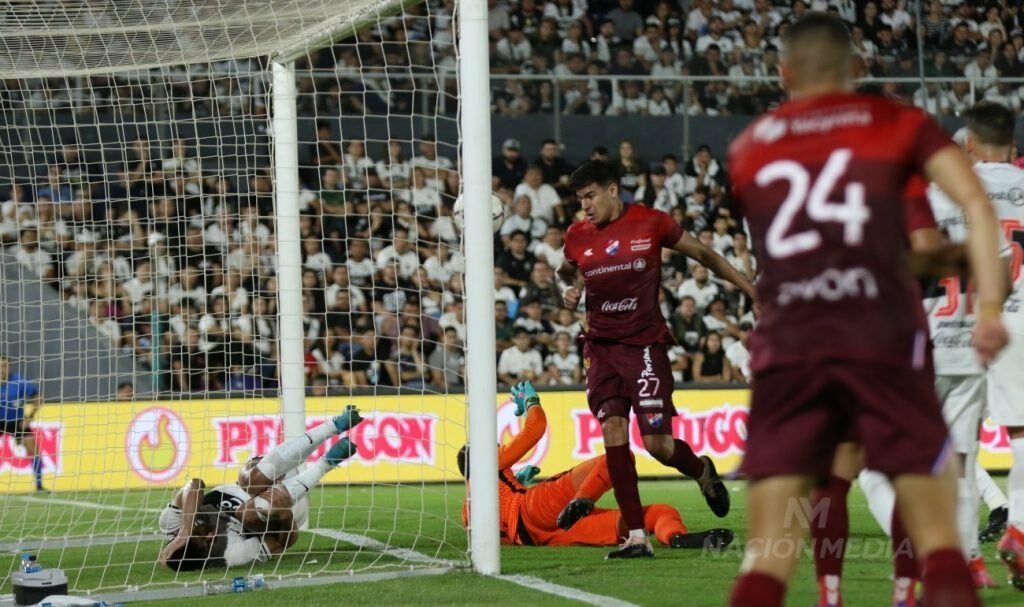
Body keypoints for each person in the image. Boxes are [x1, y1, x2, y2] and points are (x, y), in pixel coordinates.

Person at [726, 15, 1007, 607]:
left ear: (783, 74)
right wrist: (986, 309)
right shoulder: (897, 124)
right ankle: (911, 589)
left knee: (767, 560)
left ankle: (828, 593)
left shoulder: (747, 148)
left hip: (788, 343)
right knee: (944, 550)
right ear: (856, 69)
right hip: (880, 335)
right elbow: (975, 206)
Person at [556, 159, 757, 558]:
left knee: (658, 445)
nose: (586, 206)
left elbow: (705, 256)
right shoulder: (577, 234)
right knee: (613, 431)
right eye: (580, 199)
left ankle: (701, 470)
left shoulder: (651, 223)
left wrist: (753, 293)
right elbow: (567, 270)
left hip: (644, 345)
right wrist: (574, 287)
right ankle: (636, 537)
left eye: (590, 196)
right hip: (600, 348)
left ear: (613, 189)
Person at [458, 381, 734, 551]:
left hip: (546, 536)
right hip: (535, 508)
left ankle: (675, 538)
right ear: (480, 455)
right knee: (617, 459)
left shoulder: (468, 511)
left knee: (657, 514)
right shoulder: (487, 463)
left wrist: (516, 480)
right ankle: (583, 499)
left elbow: (503, 525)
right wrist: (531, 402)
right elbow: (535, 429)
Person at [158, 406, 364, 570]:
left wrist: (185, 531)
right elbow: (279, 544)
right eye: (207, 546)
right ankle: (326, 464)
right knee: (246, 513)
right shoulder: (230, 555)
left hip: (267, 474)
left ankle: (335, 425)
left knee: (250, 480)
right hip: (285, 507)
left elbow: (194, 484)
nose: (209, 537)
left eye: (200, 536)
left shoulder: (172, 525)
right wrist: (283, 516)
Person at [0, 356, 45, 492]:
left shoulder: (19, 381)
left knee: (34, 449)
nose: (3, 369)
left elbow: (39, 398)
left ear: (10, 367)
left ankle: (39, 485)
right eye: (1, 365)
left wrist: (29, 417)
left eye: (5, 365)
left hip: (18, 422)